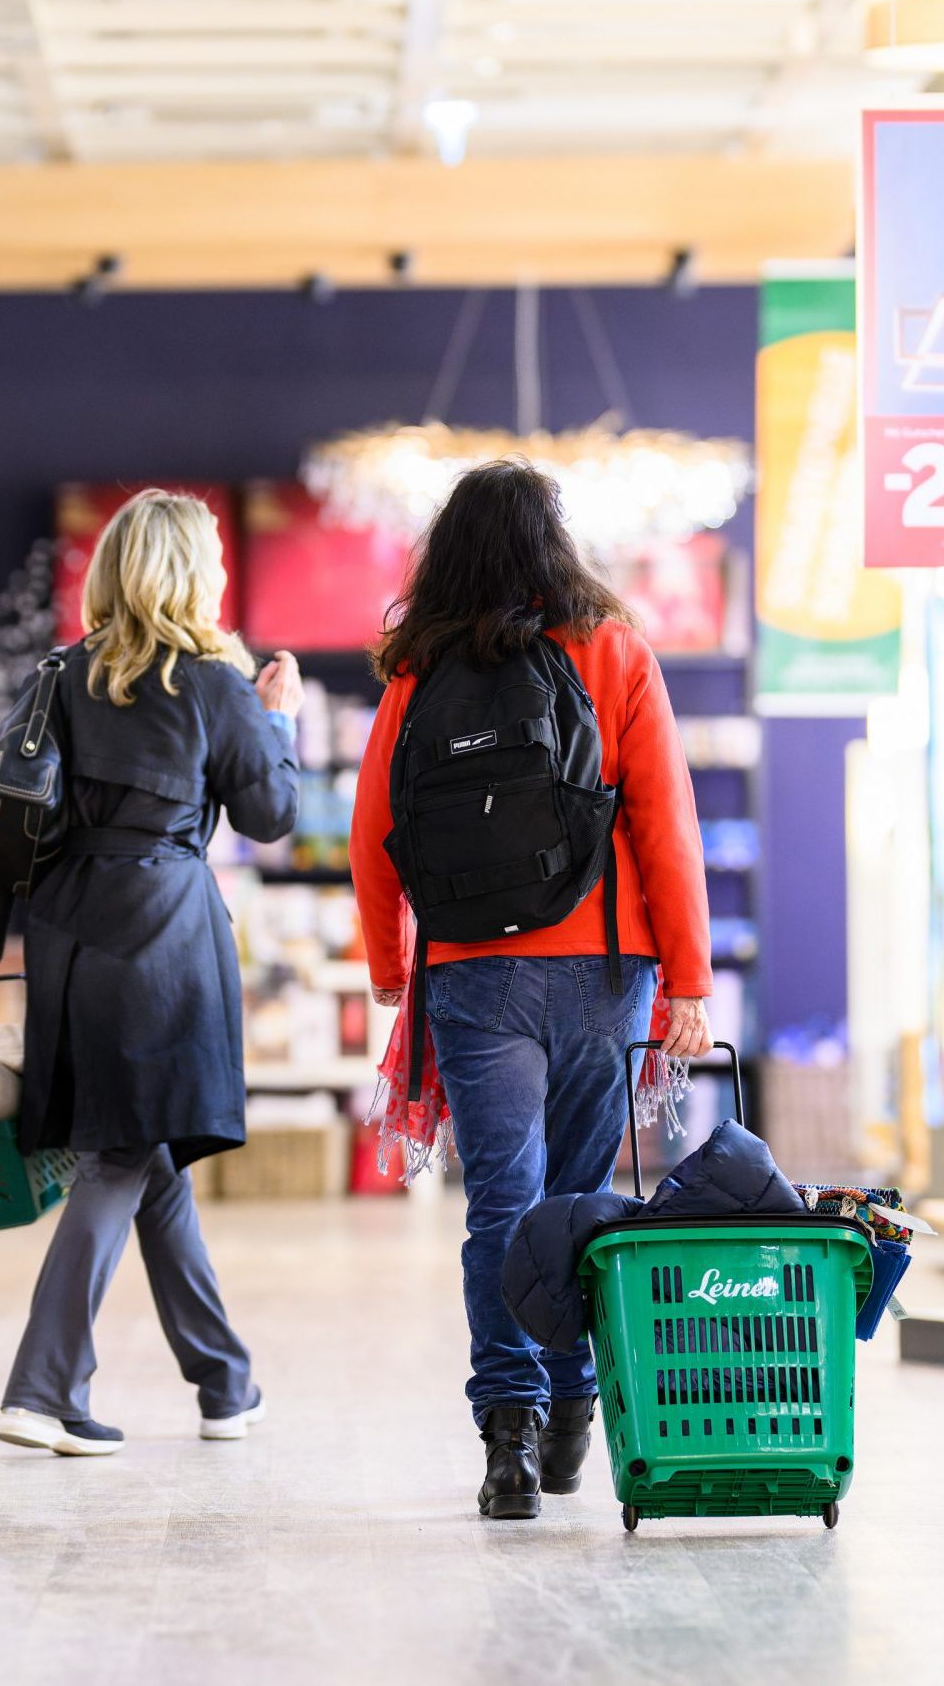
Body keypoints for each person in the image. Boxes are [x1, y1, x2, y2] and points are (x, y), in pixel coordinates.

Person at [348, 459, 713, 1520]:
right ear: (558, 547)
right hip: (603, 970)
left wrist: (389, 967)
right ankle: (573, 1406)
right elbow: (665, 823)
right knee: (579, 1198)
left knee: (499, 1202)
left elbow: (375, 830)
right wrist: (687, 980)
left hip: (472, 972)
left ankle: (505, 1439)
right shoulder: (613, 651)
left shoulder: (420, 669)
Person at [0, 489, 301, 1455]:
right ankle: (41, 1390)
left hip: (67, 940)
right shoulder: (215, 683)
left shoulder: (57, 676)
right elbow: (270, 818)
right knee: (122, 1155)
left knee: (148, 1156)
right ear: (193, 574)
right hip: (163, 942)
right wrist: (278, 723)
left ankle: (225, 1384)